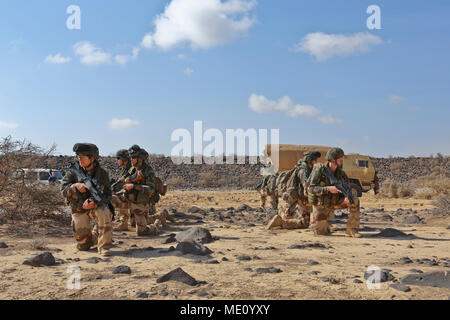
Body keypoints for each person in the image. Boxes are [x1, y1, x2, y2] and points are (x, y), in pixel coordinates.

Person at [61, 143, 113, 256]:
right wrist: (74, 186)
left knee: (104, 211)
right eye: (78, 156)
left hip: (95, 206)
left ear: (92, 158)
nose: (79, 159)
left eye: (82, 156)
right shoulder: (73, 172)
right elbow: (63, 190)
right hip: (78, 208)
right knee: (84, 246)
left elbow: (108, 195)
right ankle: (95, 234)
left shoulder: (102, 174)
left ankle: (104, 246)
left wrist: (94, 202)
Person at [307, 148, 362, 238]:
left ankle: (351, 229)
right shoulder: (319, 170)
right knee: (320, 233)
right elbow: (311, 189)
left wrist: (347, 197)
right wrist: (328, 189)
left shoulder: (341, 174)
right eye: (340, 160)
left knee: (355, 200)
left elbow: (347, 187)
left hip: (335, 202)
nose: (342, 162)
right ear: (333, 160)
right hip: (321, 205)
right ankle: (323, 224)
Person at [111, 145, 162, 236]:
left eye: (133, 157)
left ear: (140, 158)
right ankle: (105, 230)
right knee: (110, 200)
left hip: (141, 203)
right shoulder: (132, 169)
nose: (131, 159)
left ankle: (156, 224)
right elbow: (125, 180)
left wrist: (134, 186)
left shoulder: (148, 171)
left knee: (141, 232)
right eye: (131, 157)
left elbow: (151, 190)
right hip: (128, 199)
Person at [267, 151, 321, 230]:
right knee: (306, 223)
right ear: (310, 160)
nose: (316, 162)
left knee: (289, 217)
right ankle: (281, 222)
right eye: (315, 160)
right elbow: (306, 186)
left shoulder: (301, 168)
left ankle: (280, 219)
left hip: (293, 196)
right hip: (298, 197)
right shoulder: (304, 171)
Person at [112, 149, 133, 231]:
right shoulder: (124, 169)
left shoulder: (131, 169)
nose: (117, 160)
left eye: (118, 158)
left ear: (124, 159)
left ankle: (160, 216)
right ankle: (124, 222)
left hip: (135, 198)